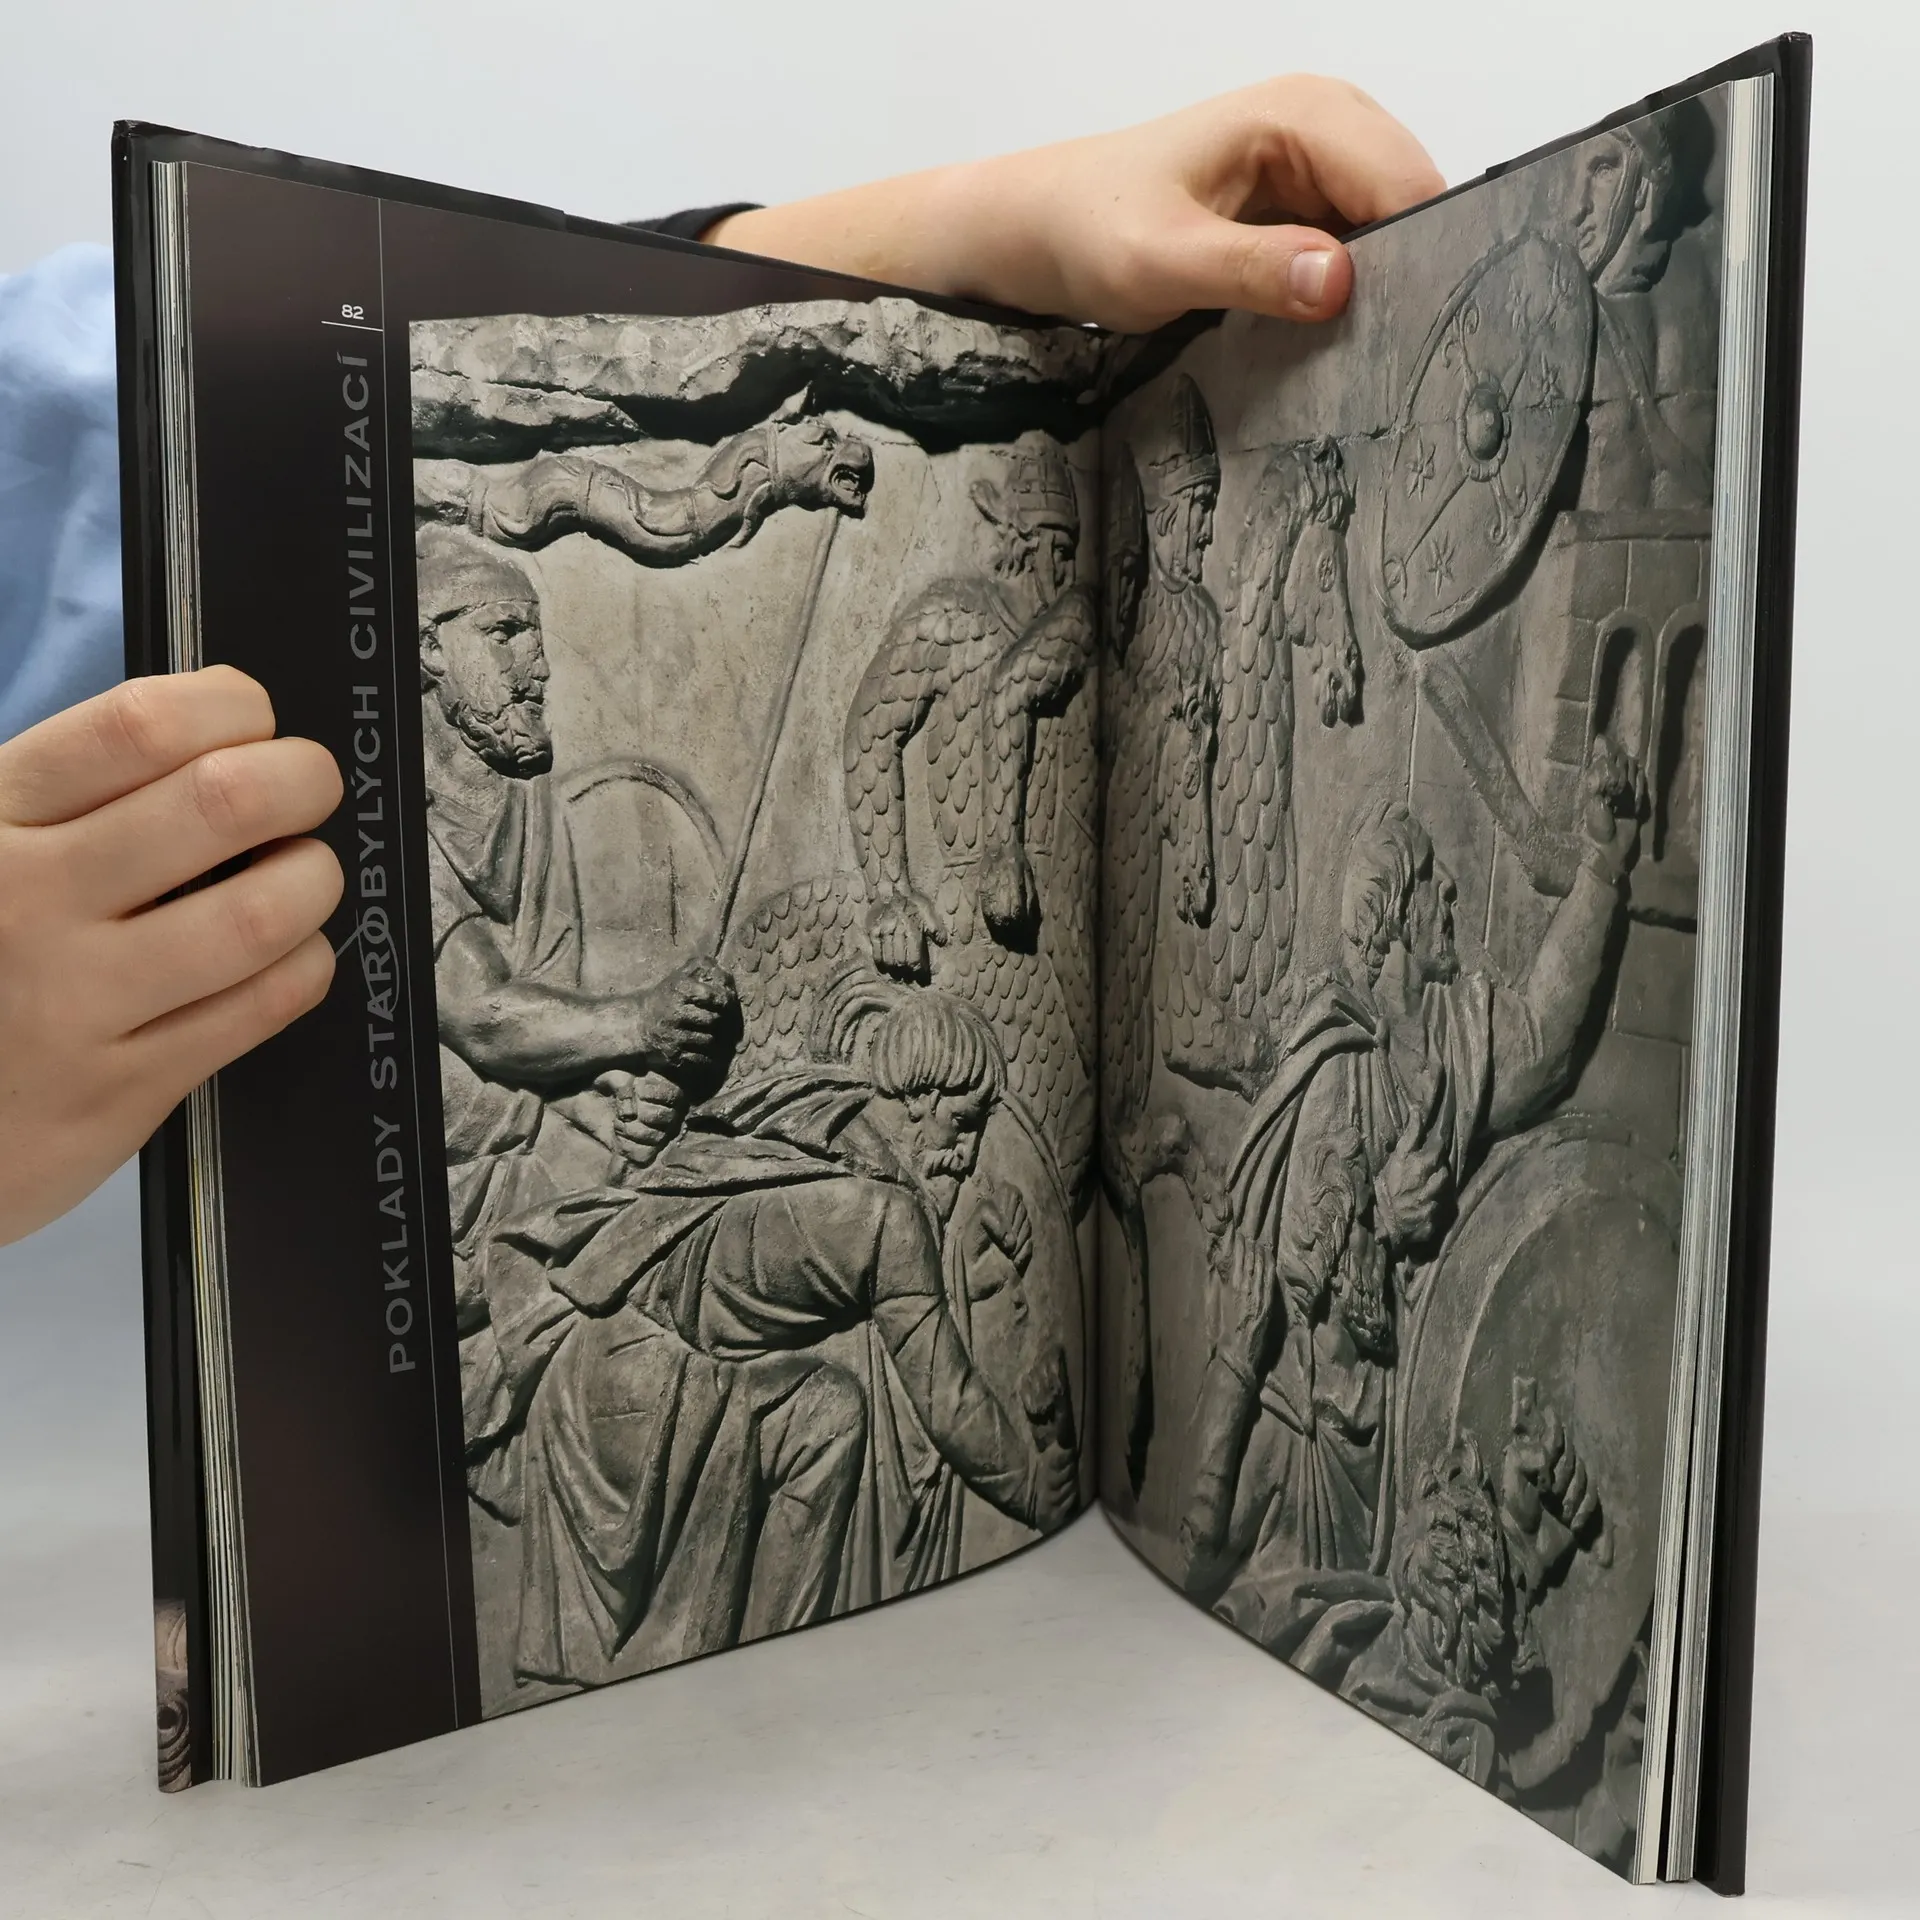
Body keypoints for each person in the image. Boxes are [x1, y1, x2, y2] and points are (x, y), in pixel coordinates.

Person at [0, 74, 1443, 1248]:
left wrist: (939, 236)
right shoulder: (957, 631)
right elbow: (484, 1003)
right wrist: (886, 897)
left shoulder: (132, 405)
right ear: (430, 657)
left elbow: (221, 382)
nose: (536, 671)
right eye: (501, 638)